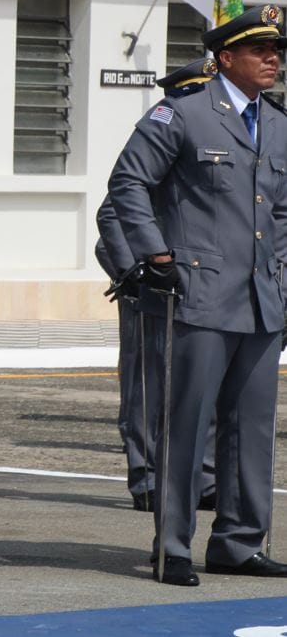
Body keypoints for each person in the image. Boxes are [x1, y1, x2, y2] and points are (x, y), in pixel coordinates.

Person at [108, 3, 287, 586]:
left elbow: (281, 211)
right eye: (260, 50)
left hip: (262, 299)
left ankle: (238, 541)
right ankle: (174, 545)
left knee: (251, 427)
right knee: (187, 425)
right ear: (225, 58)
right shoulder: (182, 115)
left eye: (276, 50)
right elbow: (129, 181)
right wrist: (156, 254)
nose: (272, 59)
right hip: (201, 294)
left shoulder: (279, 122)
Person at [96, 57, 219, 514]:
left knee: (202, 384)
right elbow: (111, 214)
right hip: (150, 287)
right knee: (147, 388)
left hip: (199, 288)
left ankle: (204, 478)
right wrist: (137, 271)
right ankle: (146, 475)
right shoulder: (158, 145)